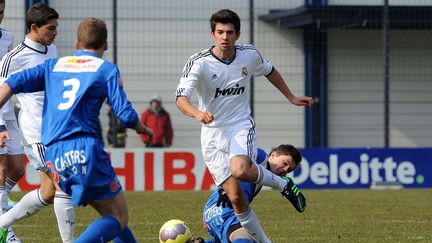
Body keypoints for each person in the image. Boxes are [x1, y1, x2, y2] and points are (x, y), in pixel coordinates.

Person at [0, 17, 153, 243]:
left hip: (54, 151)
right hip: (84, 149)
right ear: (106, 45)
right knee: (119, 216)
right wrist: (143, 129)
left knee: (109, 214)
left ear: (76, 43)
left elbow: (12, 82)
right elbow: (125, 114)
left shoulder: (55, 65)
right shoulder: (106, 69)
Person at [175, 9, 312, 242]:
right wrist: (196, 113)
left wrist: (290, 97)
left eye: (229, 32)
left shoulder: (249, 55)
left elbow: (270, 71)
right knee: (236, 198)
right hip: (211, 135)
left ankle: (283, 185)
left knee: (240, 170)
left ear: (237, 34)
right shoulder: (199, 63)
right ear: (213, 34)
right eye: (220, 32)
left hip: (240, 126)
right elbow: (180, 99)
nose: (224, 37)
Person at [0, 3, 75, 242]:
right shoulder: (14, 58)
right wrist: (1, 126)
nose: (55, 33)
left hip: (54, 129)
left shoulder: (50, 51)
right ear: (34, 27)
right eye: (51, 28)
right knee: (63, 184)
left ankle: (2, 223)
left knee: (49, 191)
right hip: (36, 133)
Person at [195, 144, 304, 243]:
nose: (285, 169)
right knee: (245, 237)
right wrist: (227, 187)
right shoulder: (261, 156)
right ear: (273, 155)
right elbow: (236, 159)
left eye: (289, 170)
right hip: (224, 210)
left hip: (212, 213)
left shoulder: (260, 175)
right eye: (285, 163)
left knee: (245, 236)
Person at [0, 1, 23, 242]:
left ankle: (1, 202)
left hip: (8, 109)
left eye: (2, 12)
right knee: (2, 168)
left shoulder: (7, 37)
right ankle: (5, 233)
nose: (0, 17)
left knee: (18, 169)